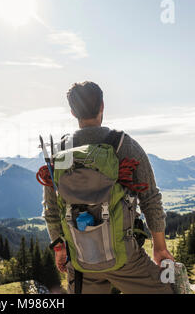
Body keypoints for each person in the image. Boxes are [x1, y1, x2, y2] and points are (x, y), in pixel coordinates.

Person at [42, 81, 174, 294]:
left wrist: (59, 248)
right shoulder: (123, 145)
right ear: (102, 106)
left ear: (73, 112)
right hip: (126, 261)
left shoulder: (61, 152)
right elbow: (150, 198)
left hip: (81, 261)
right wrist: (159, 248)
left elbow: (51, 207)